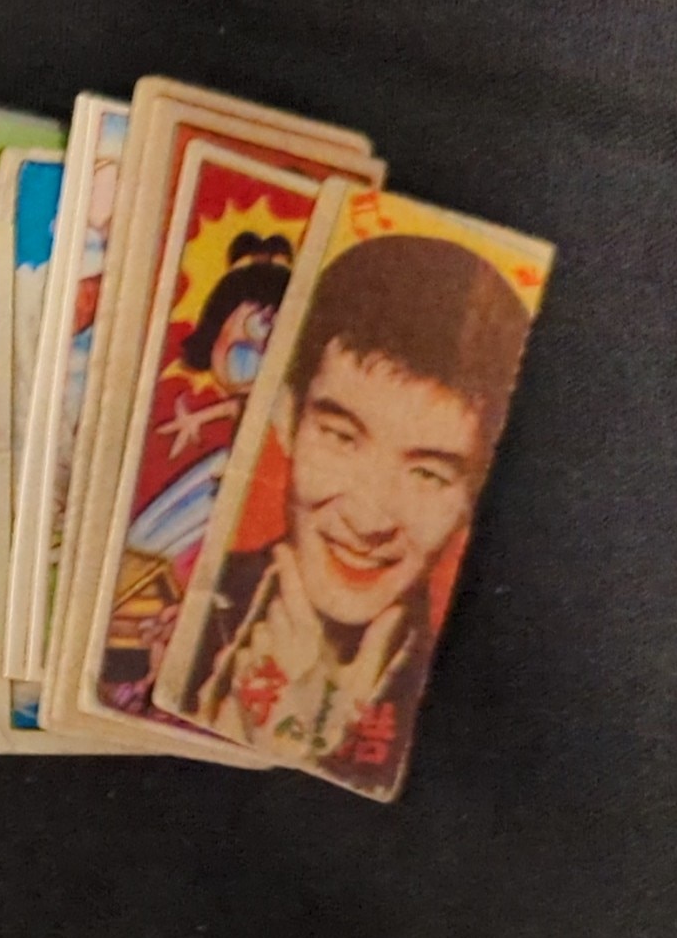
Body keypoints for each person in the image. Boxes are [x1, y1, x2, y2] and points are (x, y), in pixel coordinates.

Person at [174, 233, 532, 784]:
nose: (368, 521)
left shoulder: (485, 696)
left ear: (474, 495)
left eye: (428, 474)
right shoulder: (182, 604)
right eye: (341, 438)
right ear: (287, 419)